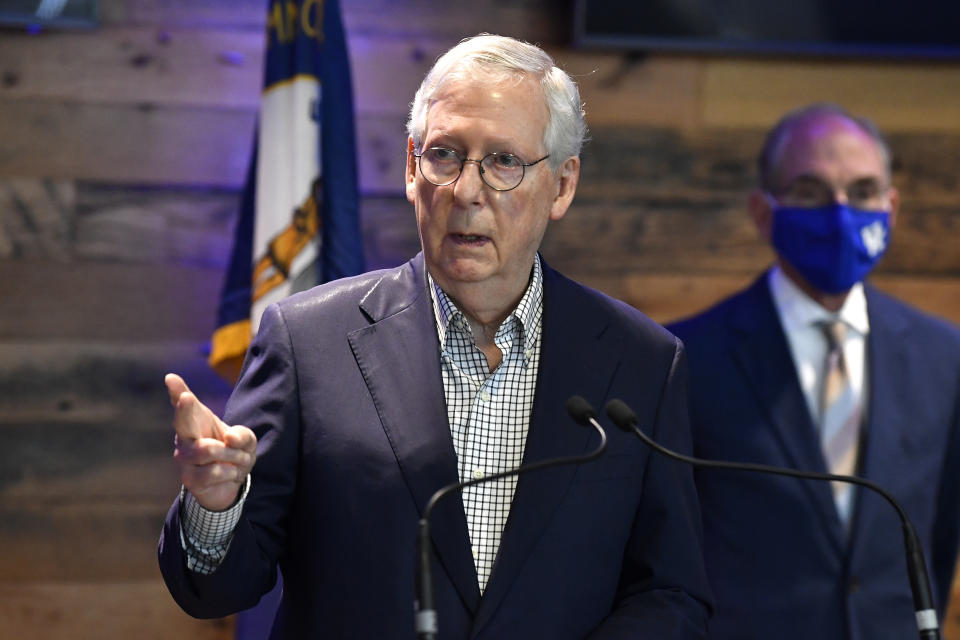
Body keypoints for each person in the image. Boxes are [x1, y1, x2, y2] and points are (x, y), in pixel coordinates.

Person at [158, 34, 712, 639]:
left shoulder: (642, 361)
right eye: (444, 155)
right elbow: (219, 591)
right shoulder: (308, 341)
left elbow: (670, 591)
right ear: (410, 168)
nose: (466, 192)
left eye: (504, 161)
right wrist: (216, 505)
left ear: (561, 186)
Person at [668, 103, 960, 639]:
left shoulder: (945, 357)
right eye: (811, 192)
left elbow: (938, 539)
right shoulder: (685, 358)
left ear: (891, 209)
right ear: (763, 212)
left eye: (865, 191)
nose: (842, 213)